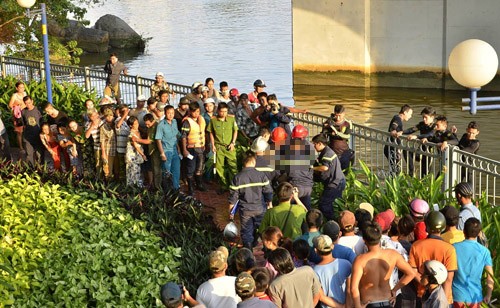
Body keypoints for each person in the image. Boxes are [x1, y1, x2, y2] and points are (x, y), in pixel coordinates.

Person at [351, 221, 415, 308]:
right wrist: (395, 290)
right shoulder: (392, 254)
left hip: (369, 303)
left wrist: (358, 306)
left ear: (364, 239)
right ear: (380, 237)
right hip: (387, 301)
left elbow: (354, 288)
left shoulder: (360, 260)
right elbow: (411, 273)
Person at [408, 210, 458, 306]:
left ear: (426, 227)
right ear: (443, 227)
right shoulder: (449, 249)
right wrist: (445, 301)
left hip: (422, 296)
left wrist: (428, 285)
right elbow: (448, 279)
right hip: (443, 298)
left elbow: (413, 272)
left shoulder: (416, 246)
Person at [229, 152, 273, 249]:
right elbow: (268, 191)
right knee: (264, 231)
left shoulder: (237, 178)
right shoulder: (261, 175)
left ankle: (248, 253)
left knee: (246, 232)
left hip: (245, 210)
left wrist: (231, 211)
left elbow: (233, 197)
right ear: (254, 162)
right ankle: (267, 251)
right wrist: (269, 203)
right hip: (260, 208)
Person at [452, 218, 494, 307]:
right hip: (475, 297)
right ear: (479, 233)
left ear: (463, 231)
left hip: (456, 296)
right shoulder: (485, 251)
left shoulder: (453, 248)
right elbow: (490, 276)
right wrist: (488, 294)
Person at [311, 134, 346, 220]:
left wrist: (312, 168)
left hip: (336, 183)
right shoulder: (325, 151)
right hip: (336, 181)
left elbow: (325, 167)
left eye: (315, 144)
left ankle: (333, 222)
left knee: (324, 204)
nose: (314, 146)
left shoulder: (327, 153)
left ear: (320, 143)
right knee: (332, 204)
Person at [313, 234, 352, 307]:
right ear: (332, 246)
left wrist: (341, 307)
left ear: (316, 251)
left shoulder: (315, 271)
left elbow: (321, 297)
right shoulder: (346, 263)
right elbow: (350, 289)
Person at [207, 102, 238, 194]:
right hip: (219, 147)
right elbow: (211, 133)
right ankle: (224, 185)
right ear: (218, 111)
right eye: (222, 111)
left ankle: (234, 186)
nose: (223, 113)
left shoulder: (231, 119)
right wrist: (212, 145)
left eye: (225, 111)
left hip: (230, 146)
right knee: (220, 168)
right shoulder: (213, 120)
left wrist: (233, 143)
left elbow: (235, 131)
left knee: (233, 166)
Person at [181, 102, 207, 195]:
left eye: (198, 111)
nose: (197, 113)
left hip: (201, 148)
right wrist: (184, 149)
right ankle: (191, 188)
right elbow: (183, 137)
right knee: (190, 168)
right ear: (190, 112)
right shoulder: (187, 122)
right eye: (195, 112)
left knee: (200, 167)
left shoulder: (201, 119)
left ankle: (199, 184)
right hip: (191, 149)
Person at [156, 105, 181, 191]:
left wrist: (179, 148)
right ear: (165, 113)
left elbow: (176, 136)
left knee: (176, 171)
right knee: (167, 173)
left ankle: (176, 189)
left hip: (175, 150)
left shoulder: (174, 122)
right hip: (166, 151)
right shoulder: (161, 125)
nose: (171, 115)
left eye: (172, 113)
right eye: (168, 113)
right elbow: (158, 140)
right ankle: (167, 191)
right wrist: (162, 153)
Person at [322, 104, 355, 171]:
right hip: (332, 151)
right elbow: (324, 132)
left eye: (339, 116)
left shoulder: (347, 123)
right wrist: (327, 127)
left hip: (343, 151)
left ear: (344, 114)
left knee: (343, 171)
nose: (338, 118)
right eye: (336, 115)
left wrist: (337, 133)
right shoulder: (331, 121)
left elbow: (347, 136)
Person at [406, 106, 437, 176]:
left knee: (425, 172)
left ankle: (426, 185)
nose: (424, 119)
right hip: (421, 149)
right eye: (423, 117)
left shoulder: (435, 126)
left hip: (430, 152)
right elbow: (412, 130)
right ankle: (411, 171)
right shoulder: (422, 124)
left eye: (426, 117)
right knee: (407, 151)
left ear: (432, 117)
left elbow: (430, 134)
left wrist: (416, 136)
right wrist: (401, 132)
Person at [383, 104, 413, 176]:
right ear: (405, 112)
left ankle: (392, 183)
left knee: (394, 169)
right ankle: (393, 184)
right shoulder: (398, 119)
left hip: (390, 147)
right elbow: (394, 126)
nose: (410, 116)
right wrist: (393, 131)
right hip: (392, 149)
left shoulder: (396, 117)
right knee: (395, 170)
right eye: (410, 114)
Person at [21, 96, 44, 165]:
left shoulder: (38, 110)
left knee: (39, 154)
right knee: (29, 154)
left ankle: (41, 169)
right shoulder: (23, 111)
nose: (28, 105)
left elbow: (42, 122)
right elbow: (24, 123)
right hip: (28, 136)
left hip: (38, 135)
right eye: (26, 103)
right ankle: (30, 170)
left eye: (29, 103)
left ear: (32, 101)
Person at [144, 113, 162, 190]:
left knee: (157, 169)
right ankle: (155, 185)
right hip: (152, 150)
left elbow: (150, 141)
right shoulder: (150, 127)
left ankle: (158, 187)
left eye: (148, 124)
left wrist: (137, 140)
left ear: (152, 121)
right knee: (154, 169)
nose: (147, 126)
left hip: (156, 150)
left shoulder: (156, 127)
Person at [100, 108, 117, 181]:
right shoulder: (103, 127)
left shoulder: (117, 123)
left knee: (117, 168)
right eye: (107, 116)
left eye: (111, 115)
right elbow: (102, 140)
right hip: (108, 150)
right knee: (107, 168)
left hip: (117, 149)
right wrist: (103, 153)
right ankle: (108, 183)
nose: (109, 117)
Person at [9, 81, 27, 153]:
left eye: (23, 87)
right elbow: (10, 105)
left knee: (25, 130)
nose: (22, 89)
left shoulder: (25, 94)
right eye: (20, 87)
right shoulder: (14, 96)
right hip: (18, 115)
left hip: (25, 113)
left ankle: (26, 145)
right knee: (19, 132)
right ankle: (20, 147)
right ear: (17, 88)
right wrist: (17, 105)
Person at [85, 110, 103, 179]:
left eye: (96, 115)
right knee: (98, 163)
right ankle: (99, 178)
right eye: (93, 116)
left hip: (105, 145)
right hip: (97, 146)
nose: (95, 117)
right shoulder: (88, 124)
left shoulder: (102, 121)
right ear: (90, 117)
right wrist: (92, 126)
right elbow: (86, 136)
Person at [115, 104, 130, 183]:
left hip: (129, 149)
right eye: (123, 111)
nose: (126, 113)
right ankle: (122, 184)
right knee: (122, 167)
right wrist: (124, 116)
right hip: (121, 148)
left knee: (128, 167)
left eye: (126, 111)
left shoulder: (130, 119)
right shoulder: (118, 120)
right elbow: (118, 126)